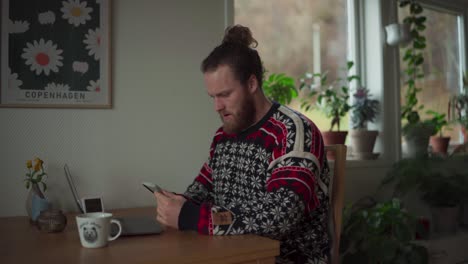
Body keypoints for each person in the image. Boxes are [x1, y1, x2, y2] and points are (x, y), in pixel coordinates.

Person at [155, 25, 331, 264]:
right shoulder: (224, 136)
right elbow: (202, 191)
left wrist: (190, 216)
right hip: (231, 255)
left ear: (251, 84)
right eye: (213, 97)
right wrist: (178, 202)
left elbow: (279, 218)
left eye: (225, 94)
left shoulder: (293, 132)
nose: (217, 106)